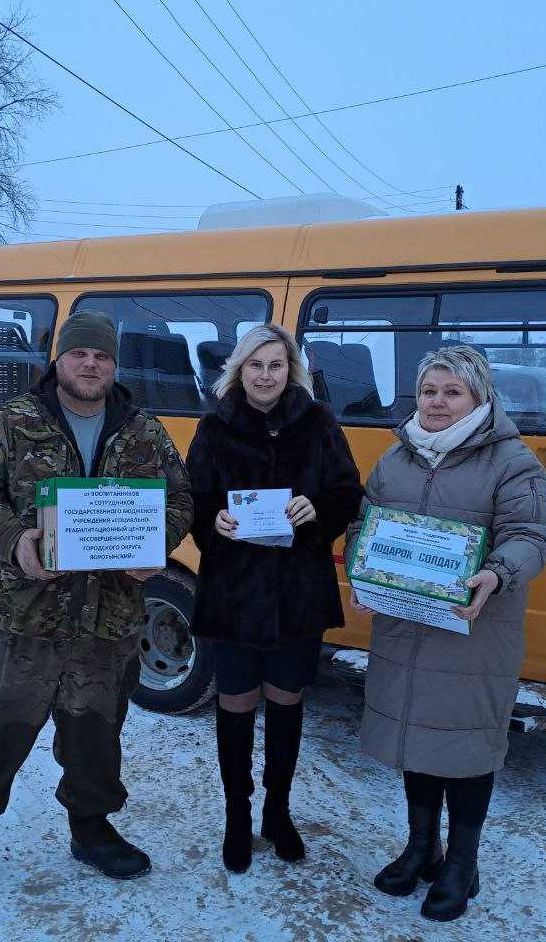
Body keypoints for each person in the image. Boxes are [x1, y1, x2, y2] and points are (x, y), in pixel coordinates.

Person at [0, 311, 193, 907]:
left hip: (110, 620)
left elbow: (179, 499)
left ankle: (91, 830)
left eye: (101, 355)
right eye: (79, 354)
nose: (90, 364)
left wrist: (157, 545)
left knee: (96, 738)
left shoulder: (144, 430)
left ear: (114, 364)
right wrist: (14, 539)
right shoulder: (15, 422)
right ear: (58, 360)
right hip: (28, 619)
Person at [346, 344, 546, 923]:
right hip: (407, 625)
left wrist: (497, 571)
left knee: (463, 744)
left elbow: (531, 536)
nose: (437, 403)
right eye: (429, 392)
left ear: (479, 397)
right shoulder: (397, 458)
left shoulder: (512, 463)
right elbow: (366, 525)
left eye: (451, 392)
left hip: (473, 629)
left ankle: (462, 861)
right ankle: (421, 847)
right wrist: (360, 568)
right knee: (419, 736)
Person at [186, 323, 363, 873]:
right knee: (235, 702)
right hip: (234, 590)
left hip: (296, 590)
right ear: (240, 370)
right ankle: (236, 815)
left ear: (292, 371)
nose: (266, 375)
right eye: (257, 365)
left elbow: (347, 492)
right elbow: (191, 498)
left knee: (286, 701)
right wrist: (209, 518)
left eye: (277, 365)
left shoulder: (319, 422)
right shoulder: (214, 426)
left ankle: (277, 812)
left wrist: (320, 511)